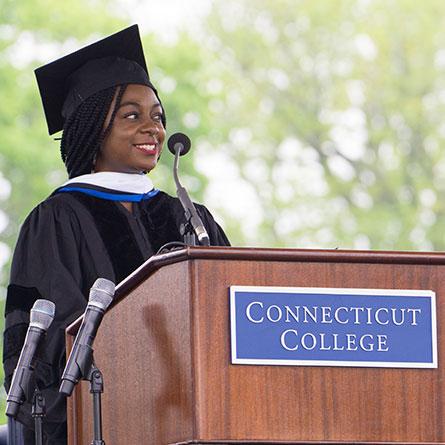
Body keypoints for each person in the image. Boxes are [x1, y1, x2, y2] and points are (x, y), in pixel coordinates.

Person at [3, 25, 229, 444]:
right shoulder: (56, 220)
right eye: (132, 115)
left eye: (158, 117)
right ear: (93, 127)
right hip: (101, 425)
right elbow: (43, 348)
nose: (154, 129)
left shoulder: (191, 219)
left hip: (199, 423)